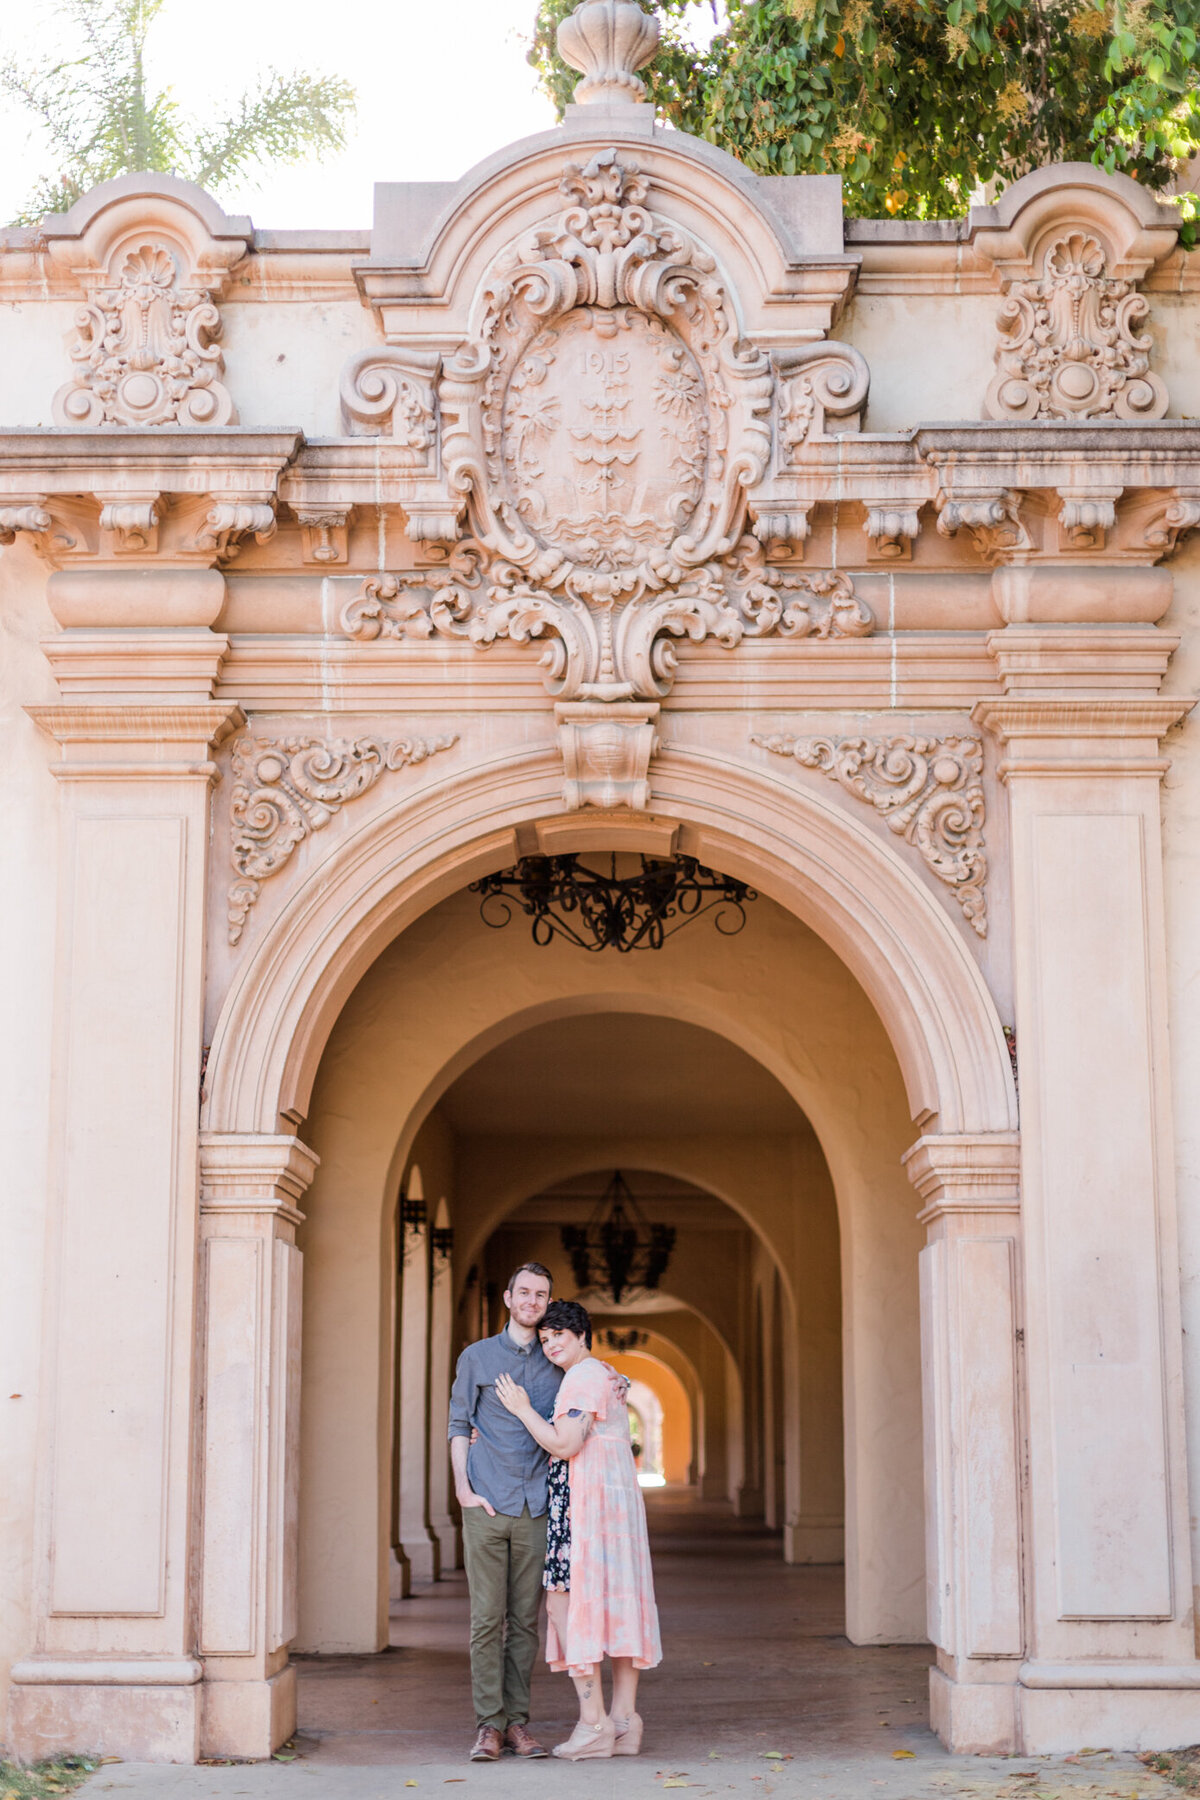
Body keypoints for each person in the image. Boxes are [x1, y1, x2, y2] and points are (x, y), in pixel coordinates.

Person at [495, 1297, 662, 1762]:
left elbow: (566, 1443)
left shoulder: (582, 1376)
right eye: (544, 1339)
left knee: (565, 1605)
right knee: (617, 1602)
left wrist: (524, 1409)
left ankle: (594, 1723)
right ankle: (625, 1722)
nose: (550, 1347)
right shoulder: (605, 1373)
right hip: (612, 1507)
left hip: (584, 1507)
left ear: (581, 1334)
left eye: (558, 1337)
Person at [447, 1262, 561, 1763]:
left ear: (547, 1303)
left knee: (526, 1623)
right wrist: (463, 1490)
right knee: (486, 1621)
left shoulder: (558, 1362)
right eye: (526, 1292)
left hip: (537, 1506)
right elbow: (457, 1424)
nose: (533, 1301)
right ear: (509, 1298)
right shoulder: (477, 1357)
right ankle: (488, 1727)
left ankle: (518, 1725)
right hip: (487, 1504)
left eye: (542, 1295)